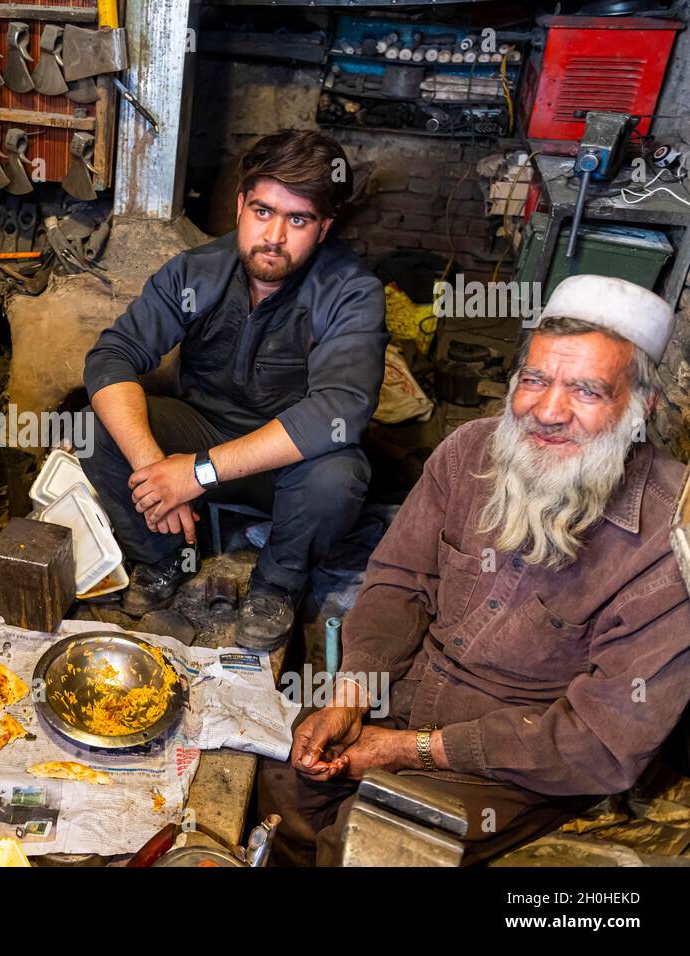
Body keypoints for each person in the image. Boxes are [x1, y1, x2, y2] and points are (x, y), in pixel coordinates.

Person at [257, 275, 690, 865]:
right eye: (534, 380)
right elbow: (399, 582)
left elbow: (600, 744)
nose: (548, 411)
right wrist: (352, 693)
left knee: (362, 851)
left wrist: (408, 750)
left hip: (514, 756)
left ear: (641, 408)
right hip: (406, 692)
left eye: (586, 391)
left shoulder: (668, 542)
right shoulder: (469, 451)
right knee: (282, 791)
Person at [81, 129, 387, 650]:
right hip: (199, 433)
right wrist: (155, 470)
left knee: (340, 476)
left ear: (324, 227)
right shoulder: (194, 271)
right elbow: (113, 356)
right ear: (240, 205)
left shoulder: (352, 293)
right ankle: (164, 558)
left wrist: (198, 472)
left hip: (287, 463)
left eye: (298, 220)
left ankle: (276, 588)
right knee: (94, 427)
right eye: (263, 212)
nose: (274, 235)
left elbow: (341, 409)